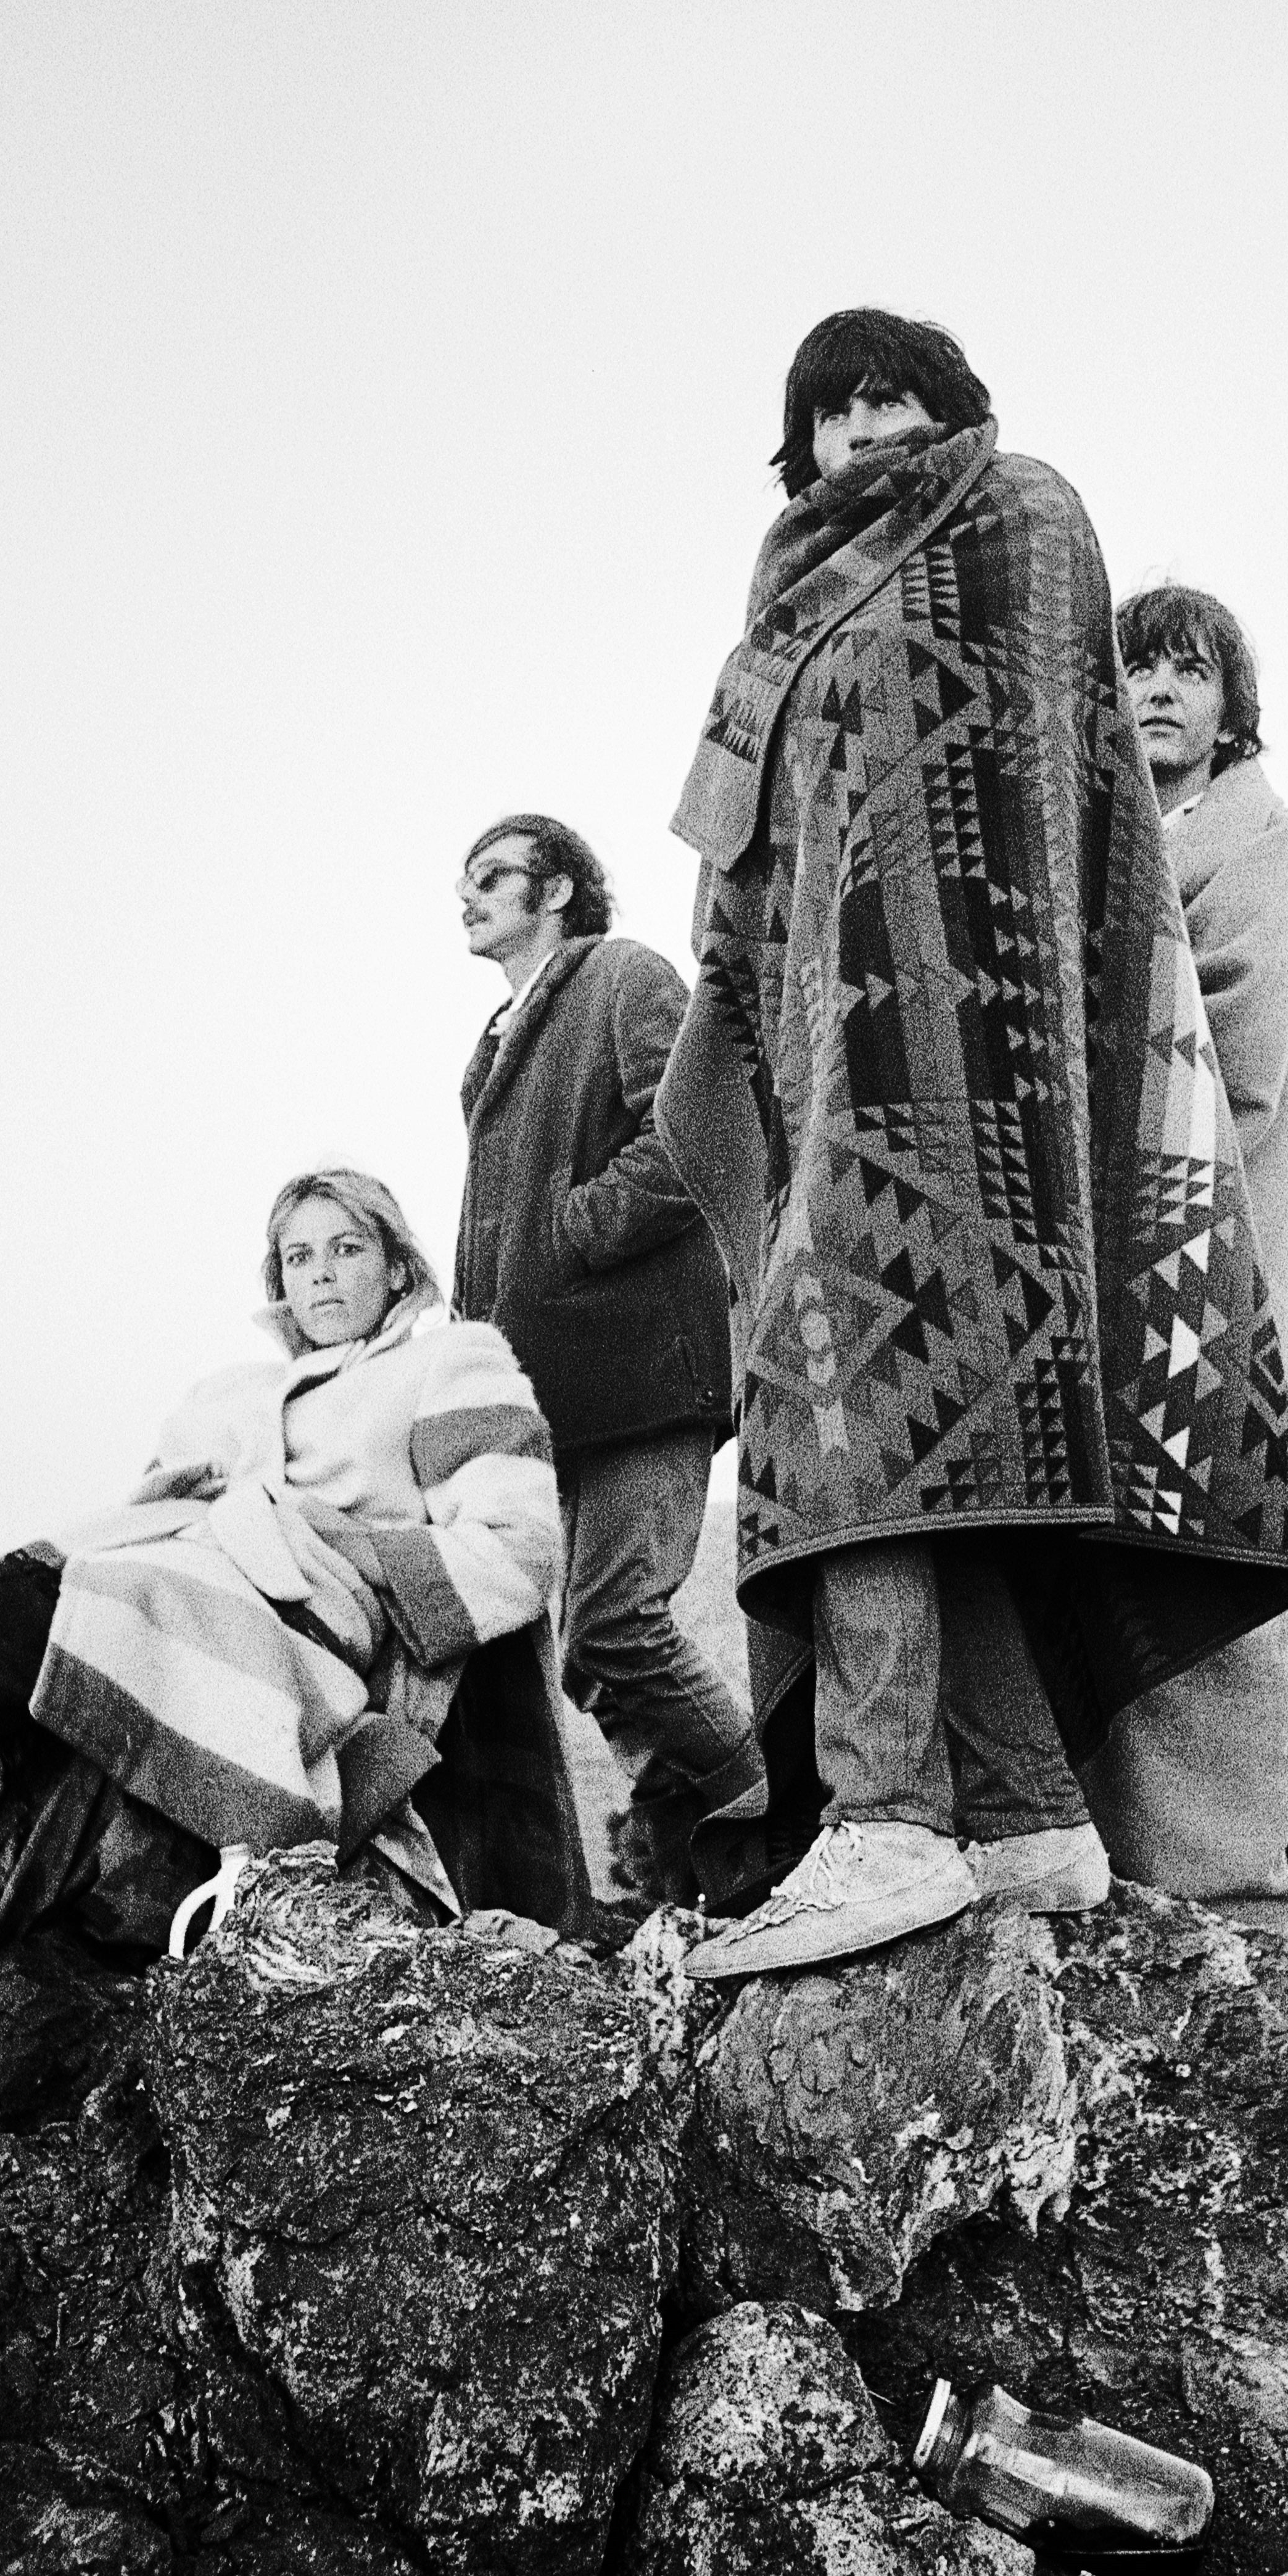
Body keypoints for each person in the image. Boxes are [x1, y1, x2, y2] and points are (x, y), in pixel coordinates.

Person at [658, 308, 1288, 1981]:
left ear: (952, 409)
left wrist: (936, 1025)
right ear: (795, 442)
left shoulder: (1018, 517)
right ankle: (1024, 1810)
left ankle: (883, 1819)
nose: (869, 424)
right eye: (833, 404)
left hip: (989, 1071)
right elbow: (768, 872)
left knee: (866, 1403)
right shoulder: (773, 623)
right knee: (932, 1437)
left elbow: (1023, 794)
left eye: (897, 393)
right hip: (841, 1074)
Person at [0, 1167, 590, 2005]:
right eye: (297, 1256)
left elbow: (517, 1553)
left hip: (320, 1622)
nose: (319, 1272)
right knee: (88, 1584)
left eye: (346, 1248)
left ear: (397, 1267)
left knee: (120, 1593)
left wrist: (336, 1537)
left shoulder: (448, 1363)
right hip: (199, 1585)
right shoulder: (230, 1396)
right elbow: (143, 1515)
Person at [450, 814, 758, 1903]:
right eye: (465, 882)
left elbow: (696, 1129)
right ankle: (696, 1879)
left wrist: (578, 1229)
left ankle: (774, 1819)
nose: (468, 896)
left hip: (643, 1371)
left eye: (493, 877)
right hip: (547, 1396)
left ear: (559, 892)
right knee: (587, 1654)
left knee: (620, 1623)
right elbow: (488, 1237)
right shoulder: (493, 1044)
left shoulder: (621, 976)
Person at [1087, 586, 1288, 1929]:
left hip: (1205, 1254)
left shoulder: (1265, 844)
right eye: (1135, 668)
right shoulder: (1107, 838)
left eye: (1190, 670)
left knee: (1217, 1544)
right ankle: (1117, 1882)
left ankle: (1235, 1896)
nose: (1160, 690)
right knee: (1108, 1547)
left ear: (1233, 704)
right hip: (1097, 1262)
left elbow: (1235, 1064)